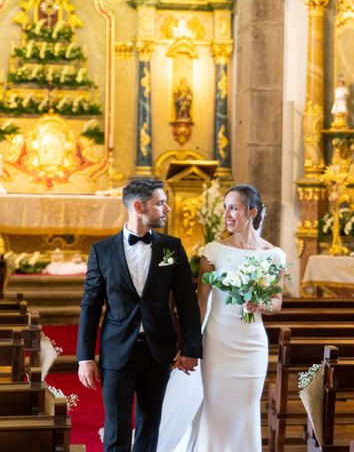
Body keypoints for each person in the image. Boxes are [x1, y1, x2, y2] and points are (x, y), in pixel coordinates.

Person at [77, 179, 202, 452]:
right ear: (138, 206)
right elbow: (90, 305)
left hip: (158, 350)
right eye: (159, 203)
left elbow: (187, 301)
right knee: (117, 428)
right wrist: (85, 357)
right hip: (117, 350)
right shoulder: (102, 250)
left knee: (149, 426)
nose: (167, 208)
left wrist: (191, 347)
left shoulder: (171, 247)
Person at [161, 184, 286, 451]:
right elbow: (202, 301)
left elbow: (277, 302)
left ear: (252, 212)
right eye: (226, 208)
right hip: (218, 342)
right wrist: (190, 343)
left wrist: (259, 303)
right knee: (216, 407)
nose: (228, 214)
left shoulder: (273, 255)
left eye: (234, 208)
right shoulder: (214, 251)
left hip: (252, 344)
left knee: (246, 408)